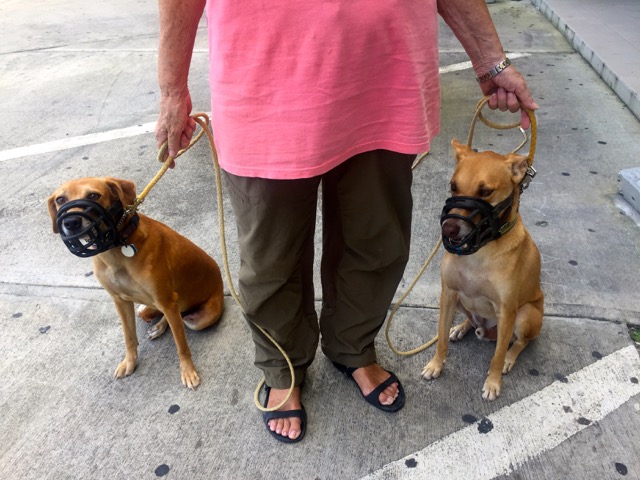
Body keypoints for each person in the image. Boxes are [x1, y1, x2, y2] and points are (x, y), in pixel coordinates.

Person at [155, 0, 538, 443]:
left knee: (373, 240)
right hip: (266, 75)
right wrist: (171, 88)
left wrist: (491, 59)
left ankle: (353, 348)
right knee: (270, 257)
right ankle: (282, 365)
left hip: (384, 72)